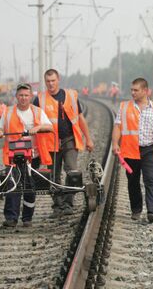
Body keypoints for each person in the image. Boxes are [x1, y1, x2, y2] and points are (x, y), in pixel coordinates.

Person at [34, 69, 94, 218]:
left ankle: (68, 203)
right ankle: (58, 206)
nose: (51, 84)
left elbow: (80, 119)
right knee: (53, 176)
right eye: (48, 81)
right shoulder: (39, 99)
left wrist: (89, 139)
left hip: (69, 139)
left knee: (72, 171)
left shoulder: (71, 96)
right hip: (50, 143)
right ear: (45, 81)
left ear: (58, 79)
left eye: (53, 81)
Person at [0, 83, 53, 228]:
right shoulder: (8, 112)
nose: (23, 98)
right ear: (16, 96)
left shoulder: (37, 112)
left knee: (29, 186)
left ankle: (27, 218)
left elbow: (50, 127)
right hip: (12, 157)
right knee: (12, 185)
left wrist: (38, 127)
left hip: (32, 156)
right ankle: (11, 218)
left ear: (30, 96)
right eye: (21, 95)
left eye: (26, 95)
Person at [111, 78, 153, 223]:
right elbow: (118, 126)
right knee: (133, 181)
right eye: (132, 90)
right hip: (130, 150)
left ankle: (151, 211)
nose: (132, 92)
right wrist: (115, 143)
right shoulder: (124, 107)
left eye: (136, 90)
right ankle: (136, 210)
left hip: (150, 150)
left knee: (150, 179)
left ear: (145, 91)